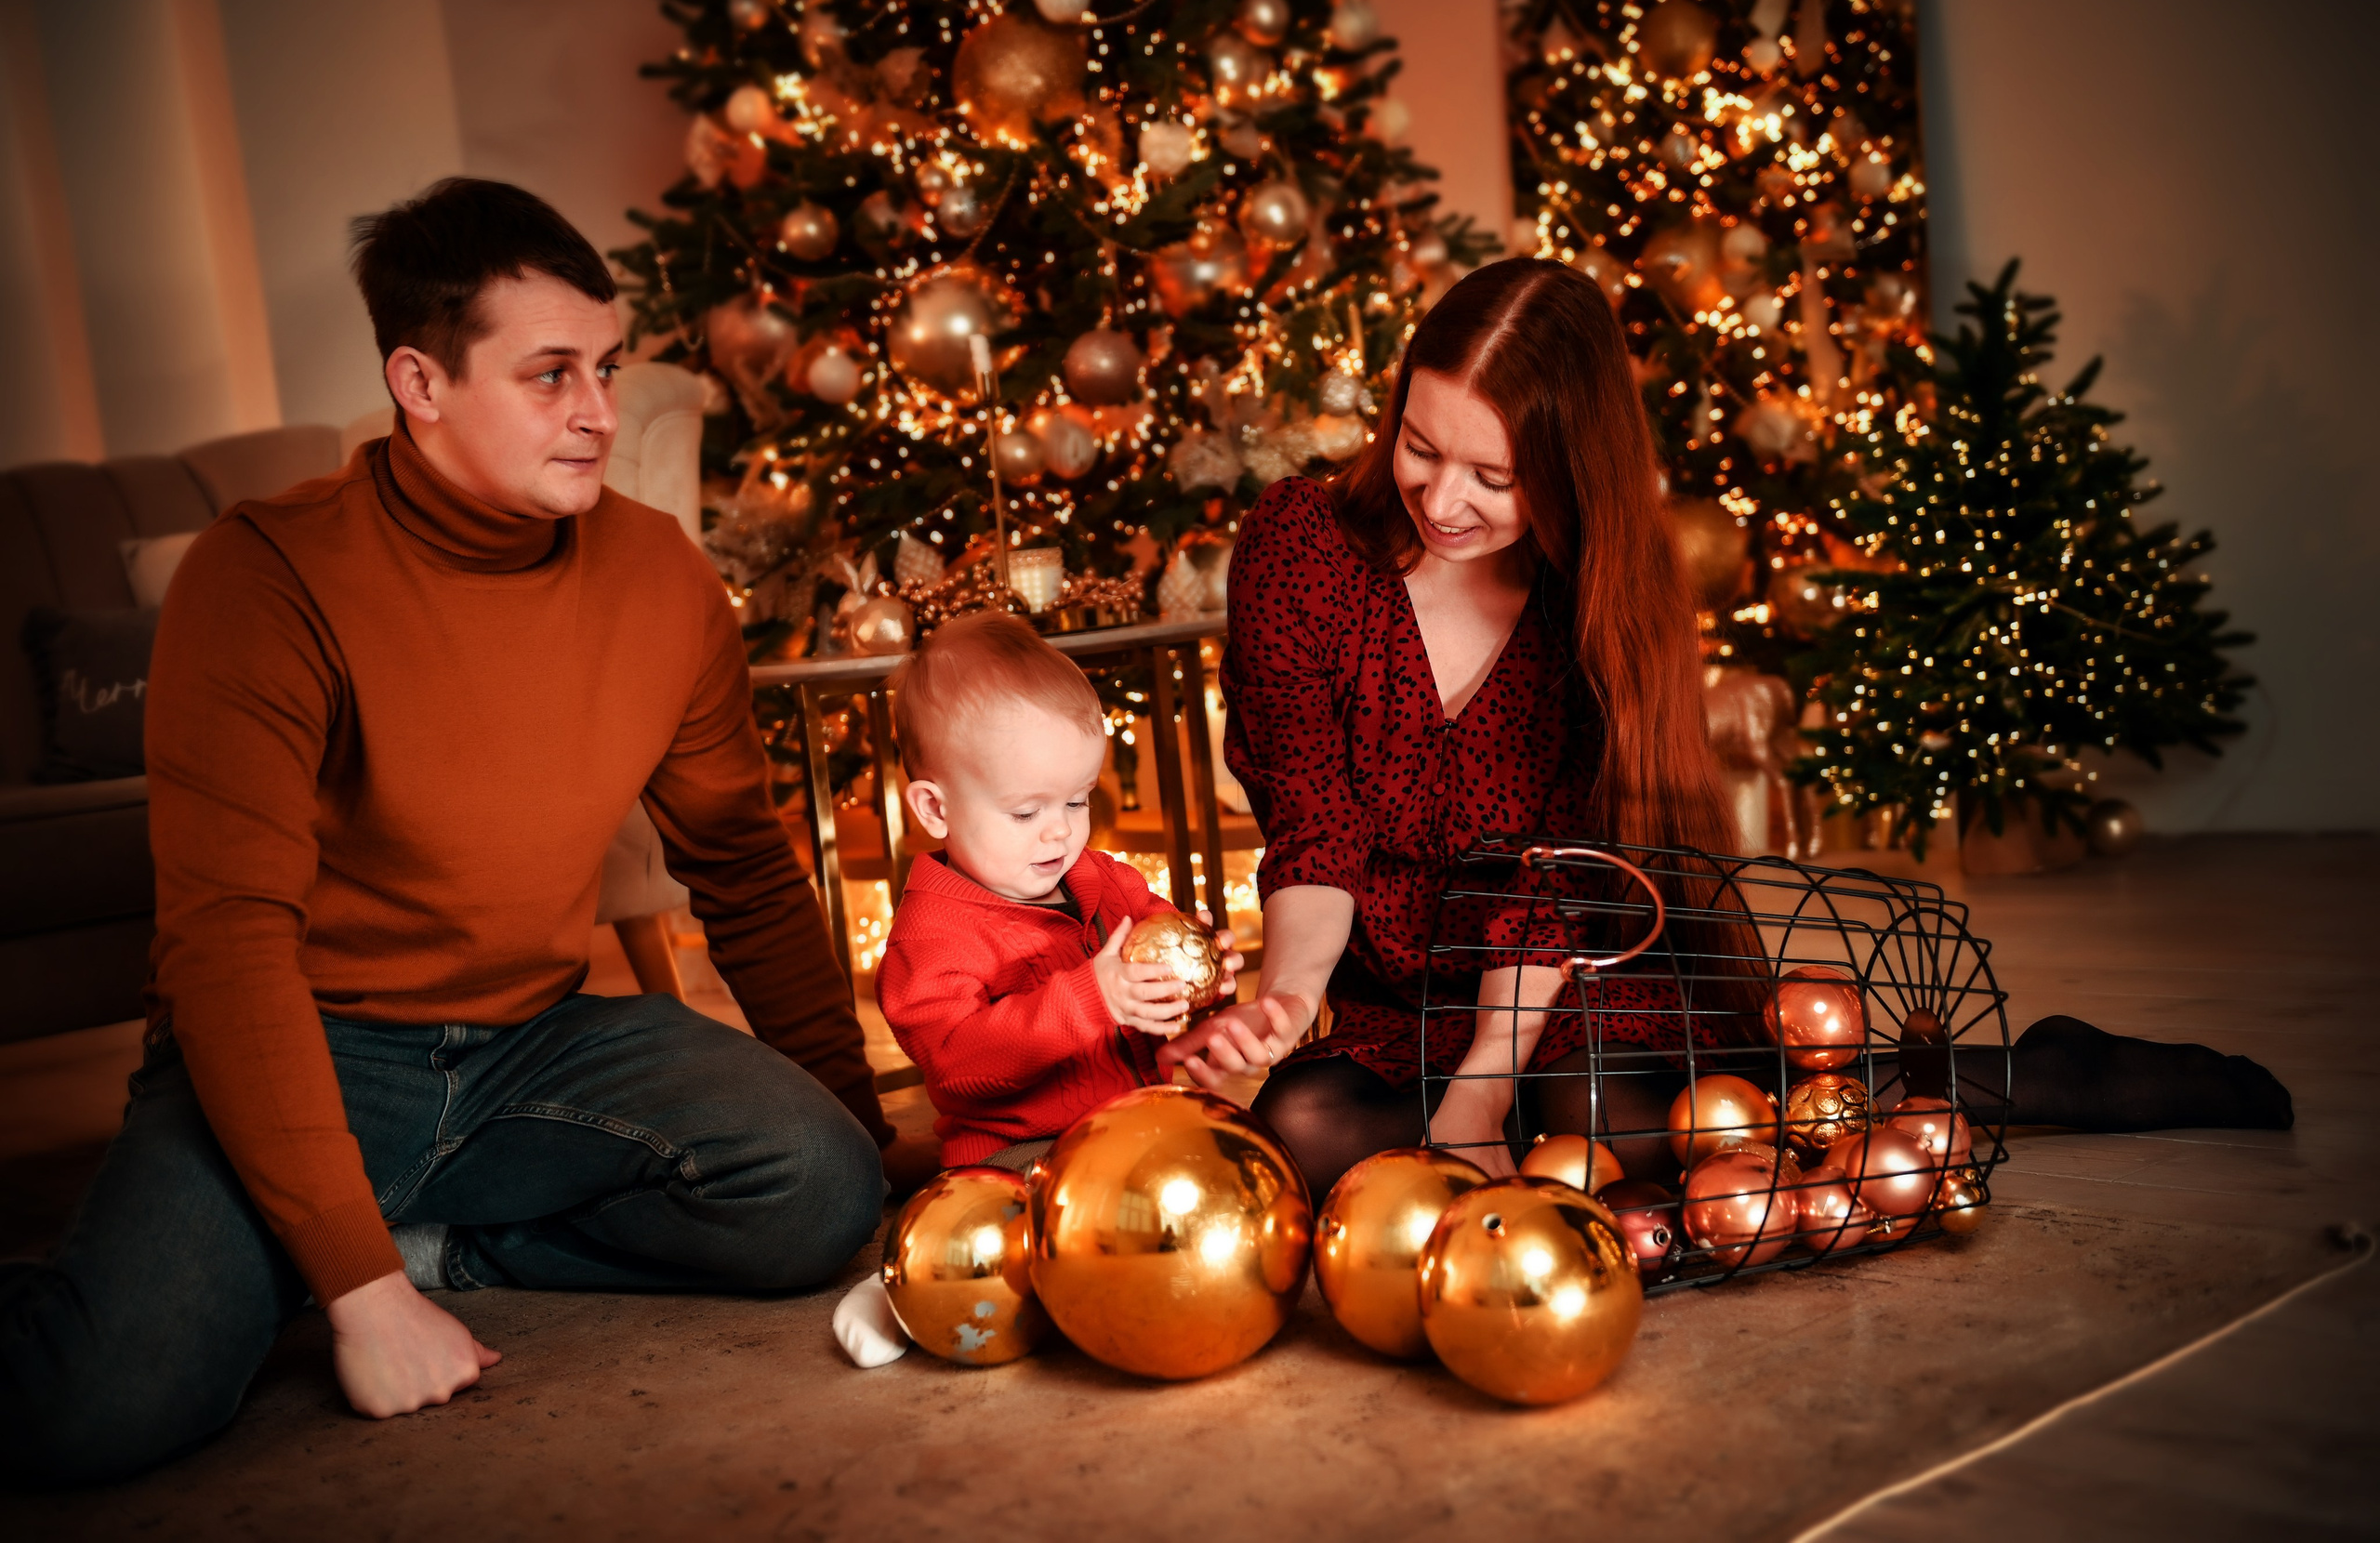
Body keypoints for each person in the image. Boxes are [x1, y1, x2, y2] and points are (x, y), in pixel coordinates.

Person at [0, 178, 927, 1487]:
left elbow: (743, 868)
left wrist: (866, 1150)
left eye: (605, 367)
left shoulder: (662, 575)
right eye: (550, 376)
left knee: (816, 1194)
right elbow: (226, 948)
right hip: (308, 1042)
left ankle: (436, 1245)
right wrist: (361, 1295)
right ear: (420, 384)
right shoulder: (262, 578)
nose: (600, 412)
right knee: (100, 1404)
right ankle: (323, 1243)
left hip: (539, 1044)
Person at [1156, 257, 2294, 1198]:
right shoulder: (1301, 543)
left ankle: (2020, 1076)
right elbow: (1312, 814)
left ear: (1567, 471)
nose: (1443, 499)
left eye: (1492, 476)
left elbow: (1559, 881)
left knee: (1619, 1119)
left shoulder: (1596, 601)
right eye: (1420, 445)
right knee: (1303, 1129)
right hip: (1395, 989)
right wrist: (1293, 994)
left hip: (1567, 967)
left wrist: (1482, 1091)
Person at [874, 613, 1240, 1172]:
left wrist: (1201, 973)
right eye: (1026, 811)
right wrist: (1090, 999)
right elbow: (958, 1062)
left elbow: (1157, 947)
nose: (1060, 831)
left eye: (1077, 800)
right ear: (935, 809)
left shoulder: (1107, 882)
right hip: (1020, 1154)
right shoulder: (930, 937)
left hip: (1138, 1120)